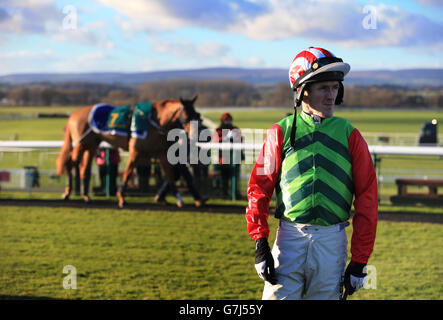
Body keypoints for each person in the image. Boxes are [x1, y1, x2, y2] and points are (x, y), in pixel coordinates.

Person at [245, 47, 378, 300]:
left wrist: (360, 260)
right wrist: (260, 243)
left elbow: (368, 199)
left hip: (332, 244)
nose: (331, 96)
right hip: (288, 243)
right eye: (323, 88)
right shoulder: (280, 132)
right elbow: (258, 189)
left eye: (335, 88)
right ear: (303, 90)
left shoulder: (351, 135)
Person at [213, 113, 242, 199]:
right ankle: (223, 193)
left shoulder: (235, 129)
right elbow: (216, 140)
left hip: (234, 158)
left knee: (234, 177)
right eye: (226, 119)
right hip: (221, 158)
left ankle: (234, 194)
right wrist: (226, 138)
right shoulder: (218, 130)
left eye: (229, 119)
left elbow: (239, 139)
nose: (228, 121)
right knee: (222, 177)